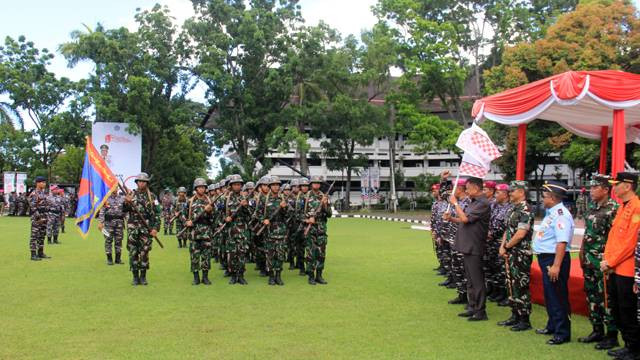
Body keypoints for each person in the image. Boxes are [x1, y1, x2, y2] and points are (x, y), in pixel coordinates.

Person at [601, 172, 640, 360]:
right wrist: (607, 260)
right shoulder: (622, 207)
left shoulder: (637, 207)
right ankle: (628, 344)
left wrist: (611, 261)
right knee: (617, 308)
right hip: (616, 267)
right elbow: (614, 237)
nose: (613, 187)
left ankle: (634, 348)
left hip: (628, 269)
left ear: (627, 186)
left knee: (628, 309)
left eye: (616, 184)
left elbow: (630, 242)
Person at [578, 175, 619, 349]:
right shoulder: (592, 208)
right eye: (591, 188)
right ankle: (597, 330)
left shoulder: (613, 209)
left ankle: (611, 335)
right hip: (589, 260)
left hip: (603, 261)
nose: (591, 191)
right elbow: (588, 233)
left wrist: (610, 261)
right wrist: (581, 251)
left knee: (606, 298)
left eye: (595, 188)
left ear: (605, 190)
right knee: (592, 295)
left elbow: (615, 238)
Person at [444, 176, 491, 321]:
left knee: (477, 280)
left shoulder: (483, 203)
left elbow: (465, 219)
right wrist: (452, 218)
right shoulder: (474, 202)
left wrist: (455, 203)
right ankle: (473, 306)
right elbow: (466, 219)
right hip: (467, 245)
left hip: (474, 245)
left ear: (476, 188)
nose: (467, 191)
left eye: (468, 188)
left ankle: (480, 311)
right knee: (470, 279)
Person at [533, 181, 574, 345]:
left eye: (544, 196)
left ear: (552, 197)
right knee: (550, 295)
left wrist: (556, 265)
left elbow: (562, 242)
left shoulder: (561, 214)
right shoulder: (552, 213)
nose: (542, 199)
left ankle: (562, 333)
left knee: (557, 295)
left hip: (554, 258)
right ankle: (552, 325)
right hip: (547, 257)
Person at [497, 180, 534, 331]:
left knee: (521, 285)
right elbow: (508, 230)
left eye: (513, 191)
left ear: (521, 192)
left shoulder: (525, 210)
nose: (510, 193)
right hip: (510, 252)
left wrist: (506, 246)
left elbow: (520, 234)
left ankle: (524, 319)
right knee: (511, 284)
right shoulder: (513, 209)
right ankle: (515, 315)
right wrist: (502, 246)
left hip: (520, 254)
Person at [123, 172, 161, 286]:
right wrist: (127, 202)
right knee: (133, 252)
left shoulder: (152, 196)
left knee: (144, 252)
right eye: (139, 181)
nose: (141, 183)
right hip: (133, 228)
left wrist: (155, 228)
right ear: (137, 182)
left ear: (147, 183)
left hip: (146, 229)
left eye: (144, 181)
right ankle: (135, 277)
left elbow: (158, 213)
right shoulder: (131, 194)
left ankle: (143, 276)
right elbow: (124, 210)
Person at [260, 176, 290, 285]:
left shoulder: (283, 199)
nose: (276, 187)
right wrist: (263, 220)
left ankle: (278, 276)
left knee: (280, 255)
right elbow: (257, 214)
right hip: (269, 232)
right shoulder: (264, 199)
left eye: (277, 185)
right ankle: (271, 276)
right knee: (270, 255)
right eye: (273, 185)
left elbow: (290, 215)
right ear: (270, 187)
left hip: (281, 232)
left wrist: (285, 207)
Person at [221, 174, 251, 285]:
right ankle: (233, 275)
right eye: (235, 185)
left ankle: (241, 275)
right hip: (230, 232)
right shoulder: (226, 199)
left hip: (242, 231)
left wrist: (246, 206)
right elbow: (219, 215)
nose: (237, 186)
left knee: (242, 254)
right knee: (232, 255)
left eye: (239, 184)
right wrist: (226, 218)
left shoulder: (245, 199)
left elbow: (250, 216)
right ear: (231, 186)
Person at [185, 178, 215, 285]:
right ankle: (196, 277)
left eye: (203, 187)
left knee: (206, 256)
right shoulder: (190, 201)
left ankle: (205, 277)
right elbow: (184, 216)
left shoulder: (210, 201)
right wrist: (187, 222)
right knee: (194, 256)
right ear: (196, 188)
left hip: (206, 232)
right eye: (199, 187)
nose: (201, 189)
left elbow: (214, 219)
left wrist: (210, 212)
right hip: (194, 233)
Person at [303, 175, 332, 285]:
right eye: (314, 183)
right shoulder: (305, 197)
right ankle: (310, 276)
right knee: (311, 254)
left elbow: (329, 214)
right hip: (310, 230)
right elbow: (297, 215)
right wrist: (307, 220)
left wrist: (325, 204)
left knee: (321, 254)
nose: (316, 184)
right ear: (311, 184)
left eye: (318, 183)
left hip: (321, 230)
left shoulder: (324, 197)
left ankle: (319, 275)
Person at [486, 183, 512, 303]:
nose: (496, 194)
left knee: (503, 270)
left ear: (505, 194)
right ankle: (496, 290)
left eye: (498, 192)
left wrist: (493, 233)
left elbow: (506, 227)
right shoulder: (495, 206)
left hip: (502, 243)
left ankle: (506, 294)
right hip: (492, 243)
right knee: (493, 267)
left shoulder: (510, 208)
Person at [98, 190, 126, 265]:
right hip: (108, 223)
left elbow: (126, 209)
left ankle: (118, 259)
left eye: (116, 187)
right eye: (114, 187)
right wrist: (101, 222)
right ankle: (109, 259)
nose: (115, 188)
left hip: (119, 223)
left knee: (119, 241)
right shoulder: (106, 198)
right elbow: (102, 211)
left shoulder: (122, 198)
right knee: (108, 240)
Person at [29, 176, 50, 261]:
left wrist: (46, 216)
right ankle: (33, 254)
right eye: (42, 182)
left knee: (42, 236)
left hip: (44, 217)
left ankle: (40, 252)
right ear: (38, 183)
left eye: (45, 182)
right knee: (34, 236)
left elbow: (46, 205)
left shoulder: (43, 193)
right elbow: (33, 207)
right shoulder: (34, 193)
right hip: (37, 218)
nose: (44, 184)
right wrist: (38, 218)